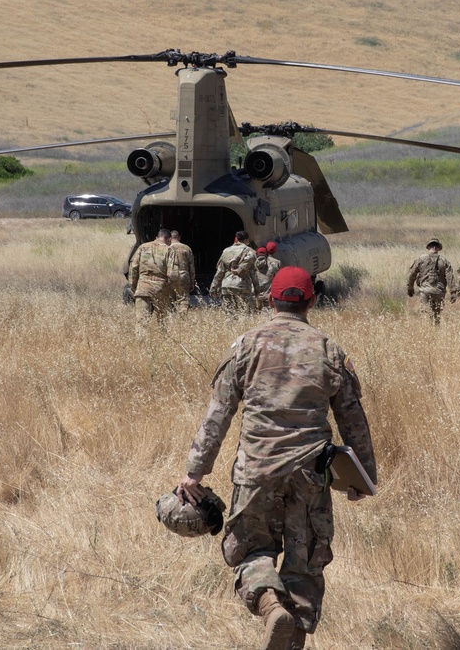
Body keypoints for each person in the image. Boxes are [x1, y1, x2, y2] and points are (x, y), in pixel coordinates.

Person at [177, 266, 377, 650]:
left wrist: (195, 473)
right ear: (311, 302)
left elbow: (218, 414)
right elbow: (353, 420)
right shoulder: (328, 350)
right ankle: (289, 630)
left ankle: (271, 608)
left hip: (256, 471)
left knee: (250, 552)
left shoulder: (247, 346)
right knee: (304, 567)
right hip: (309, 477)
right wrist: (360, 479)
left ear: (269, 299)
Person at [128, 228, 173, 331]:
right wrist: (171, 290)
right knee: (163, 322)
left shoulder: (142, 247)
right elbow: (172, 274)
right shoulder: (169, 250)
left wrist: (134, 287)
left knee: (141, 322)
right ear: (169, 239)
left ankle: (141, 344)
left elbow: (133, 268)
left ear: (156, 237)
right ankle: (164, 342)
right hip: (161, 289)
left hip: (143, 287)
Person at [406, 237, 454, 326]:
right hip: (439, 291)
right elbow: (450, 277)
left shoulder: (421, 259)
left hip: (425, 291)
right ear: (439, 248)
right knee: (436, 315)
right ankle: (435, 333)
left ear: (428, 247)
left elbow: (411, 274)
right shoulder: (444, 261)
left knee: (425, 313)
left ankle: (426, 332)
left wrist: (410, 287)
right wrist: (453, 292)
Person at [209, 230, 258, 313]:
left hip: (226, 285)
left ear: (236, 238)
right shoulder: (250, 251)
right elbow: (253, 272)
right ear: (246, 240)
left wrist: (213, 288)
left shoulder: (226, 251)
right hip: (242, 286)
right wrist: (257, 289)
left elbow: (220, 271)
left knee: (229, 314)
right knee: (244, 313)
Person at [168, 230, 197, 313]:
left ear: (170, 238)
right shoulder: (187, 248)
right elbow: (191, 267)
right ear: (179, 238)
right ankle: (182, 317)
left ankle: (171, 317)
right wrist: (192, 281)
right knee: (183, 299)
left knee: (170, 299)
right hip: (183, 275)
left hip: (170, 276)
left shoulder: (167, 248)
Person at [253, 241, 282, 310]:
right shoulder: (276, 263)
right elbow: (280, 279)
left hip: (255, 295)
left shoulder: (252, 264)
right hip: (268, 295)